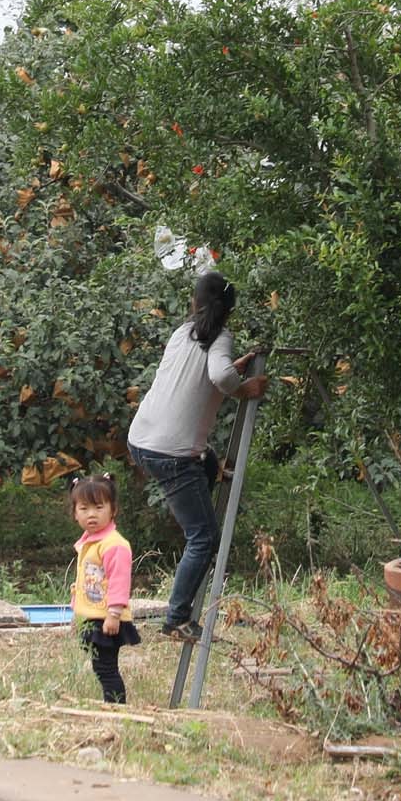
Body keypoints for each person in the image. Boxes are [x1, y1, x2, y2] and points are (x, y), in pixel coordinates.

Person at [124, 269, 268, 642]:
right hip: (171, 455)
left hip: (141, 440)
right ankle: (176, 619)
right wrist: (244, 387)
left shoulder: (181, 334)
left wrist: (232, 373)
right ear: (228, 312)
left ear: (195, 302)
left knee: (206, 460)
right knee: (204, 536)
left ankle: (203, 482)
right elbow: (220, 379)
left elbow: (203, 377)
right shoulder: (221, 337)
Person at [68, 475, 139, 703]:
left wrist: (114, 615)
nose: (92, 514)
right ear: (75, 513)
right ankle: (112, 705)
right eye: (84, 508)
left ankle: (117, 708)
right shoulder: (91, 541)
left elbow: (119, 582)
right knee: (101, 667)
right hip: (93, 616)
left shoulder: (114, 544)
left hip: (107, 617)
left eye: (99, 507)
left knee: (107, 669)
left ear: (113, 510)